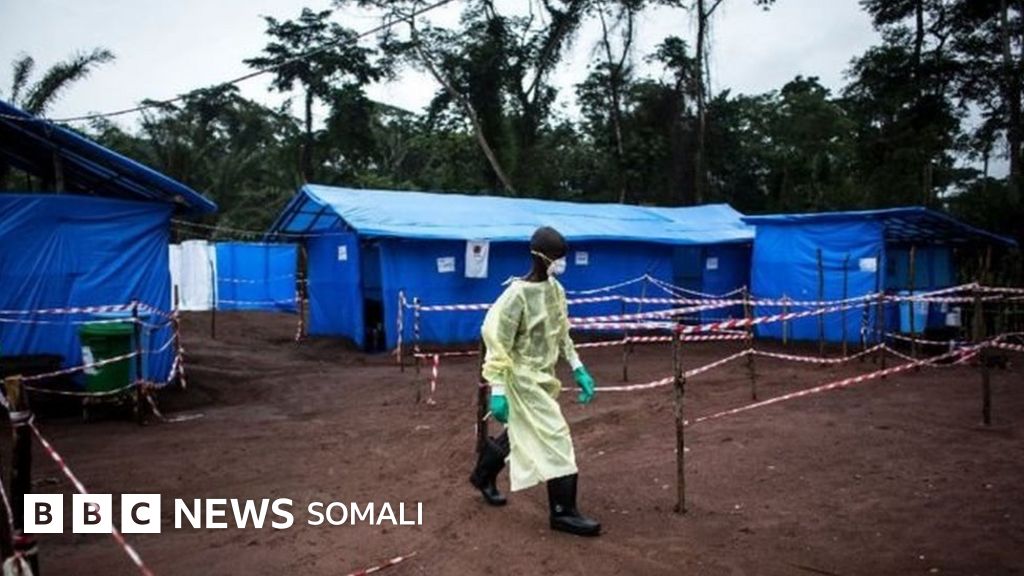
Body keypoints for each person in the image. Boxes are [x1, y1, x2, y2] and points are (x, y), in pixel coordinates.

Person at [468, 226, 601, 537]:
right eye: (557, 258)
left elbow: (562, 333)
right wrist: (498, 390)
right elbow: (496, 341)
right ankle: (562, 512)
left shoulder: (556, 290)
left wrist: (578, 368)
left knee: (521, 429)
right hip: (520, 378)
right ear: (539, 257)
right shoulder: (516, 296)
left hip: (543, 377)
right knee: (556, 435)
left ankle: (482, 475)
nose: (561, 264)